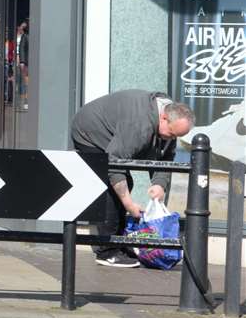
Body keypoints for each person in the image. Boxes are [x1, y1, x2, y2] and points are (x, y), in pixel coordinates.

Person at [70, 90, 195, 268]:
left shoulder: (169, 119)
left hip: (115, 135)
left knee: (124, 183)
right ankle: (106, 250)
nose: (171, 138)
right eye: (171, 133)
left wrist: (159, 185)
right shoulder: (139, 125)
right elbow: (114, 161)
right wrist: (129, 204)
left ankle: (119, 242)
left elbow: (165, 157)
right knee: (112, 188)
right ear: (164, 117)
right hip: (89, 134)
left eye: (176, 136)